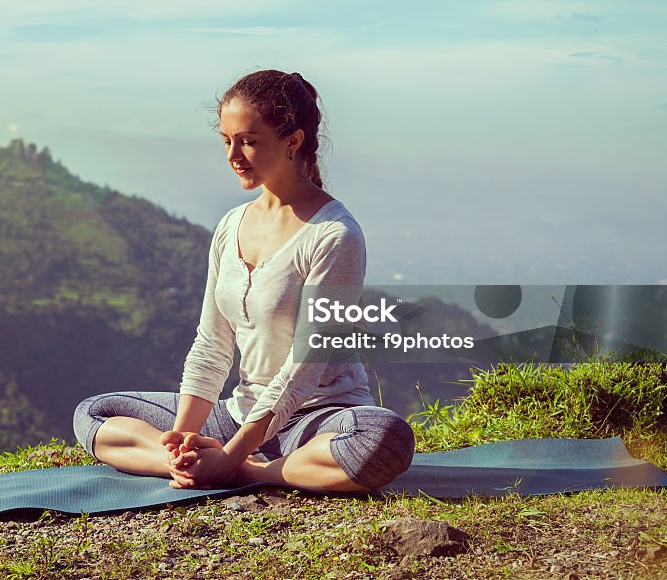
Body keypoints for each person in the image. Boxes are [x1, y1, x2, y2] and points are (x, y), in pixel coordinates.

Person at [72, 70, 415, 492]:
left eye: (249, 141)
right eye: (227, 140)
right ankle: (186, 465)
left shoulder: (334, 235)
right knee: (94, 413)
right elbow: (212, 344)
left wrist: (233, 457)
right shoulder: (231, 225)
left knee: (384, 439)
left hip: (315, 419)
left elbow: (305, 369)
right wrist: (183, 440)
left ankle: (250, 471)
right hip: (239, 413)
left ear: (293, 141)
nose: (234, 154)